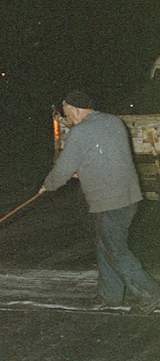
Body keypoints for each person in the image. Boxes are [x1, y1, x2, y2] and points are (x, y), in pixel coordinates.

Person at [39, 90, 160, 314]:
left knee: (115, 250)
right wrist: (83, 170)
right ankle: (110, 296)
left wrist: (48, 185)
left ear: (75, 109)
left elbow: (63, 168)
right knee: (105, 246)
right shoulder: (114, 122)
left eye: (67, 114)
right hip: (128, 196)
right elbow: (106, 155)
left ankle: (150, 293)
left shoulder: (81, 131)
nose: (67, 120)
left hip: (109, 199)